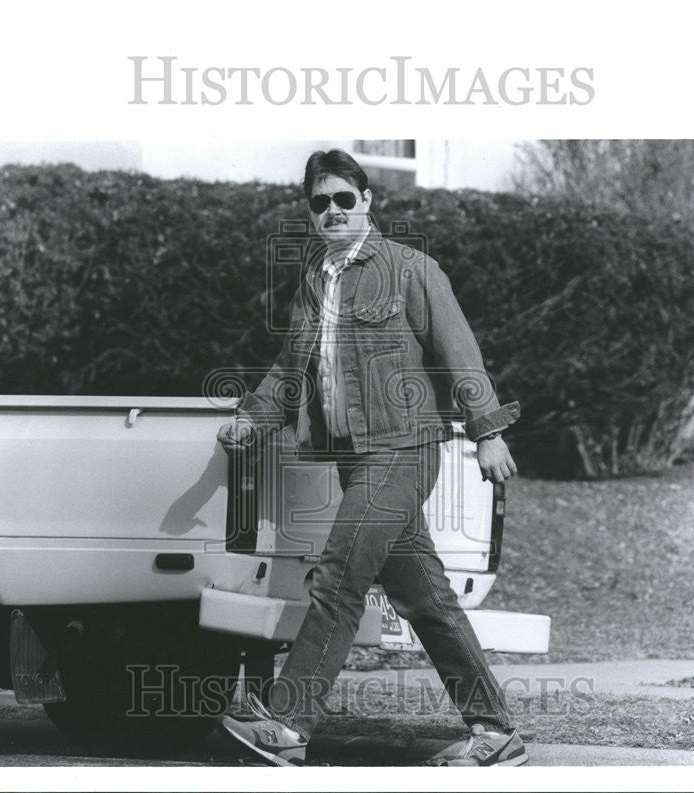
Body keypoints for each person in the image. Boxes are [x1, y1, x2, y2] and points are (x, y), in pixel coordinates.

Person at [215, 149, 524, 767]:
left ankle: (288, 722)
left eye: (343, 199)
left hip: (403, 451)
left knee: (338, 577)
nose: (331, 211)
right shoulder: (315, 277)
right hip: (356, 460)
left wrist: (487, 430)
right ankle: (495, 732)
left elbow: (459, 354)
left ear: (367, 201)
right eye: (319, 202)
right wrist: (253, 417)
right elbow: (293, 365)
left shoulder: (411, 269)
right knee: (426, 600)